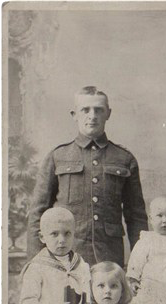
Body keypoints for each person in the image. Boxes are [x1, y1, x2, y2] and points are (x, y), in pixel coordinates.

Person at [27, 85, 148, 267]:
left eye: (99, 110)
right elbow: (38, 213)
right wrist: (35, 264)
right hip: (65, 257)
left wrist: (141, 265)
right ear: (74, 115)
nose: (92, 116)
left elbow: (136, 217)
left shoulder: (124, 158)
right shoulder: (57, 157)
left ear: (108, 114)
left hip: (109, 259)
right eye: (85, 110)